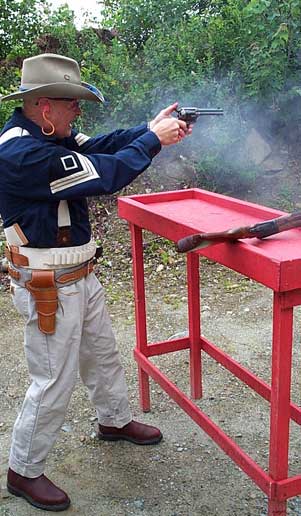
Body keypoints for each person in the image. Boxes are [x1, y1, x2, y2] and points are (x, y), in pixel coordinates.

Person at [0, 53, 191, 512]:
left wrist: (150, 130)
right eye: (73, 104)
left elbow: (104, 145)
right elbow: (105, 174)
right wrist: (152, 141)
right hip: (49, 283)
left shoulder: (45, 134)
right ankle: (23, 470)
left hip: (79, 272)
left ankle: (114, 421)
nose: (79, 112)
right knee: (52, 379)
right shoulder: (20, 154)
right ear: (46, 107)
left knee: (102, 354)